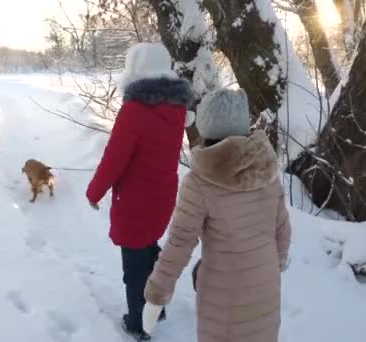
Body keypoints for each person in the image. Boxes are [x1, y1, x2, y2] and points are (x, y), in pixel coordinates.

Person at [142, 88, 292, 342]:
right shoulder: (267, 171)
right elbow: (282, 231)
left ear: (205, 127)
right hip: (266, 287)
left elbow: (180, 243)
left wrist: (156, 294)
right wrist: (268, 270)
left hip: (224, 296)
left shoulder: (200, 181)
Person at [86, 42, 194, 341]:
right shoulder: (177, 109)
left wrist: (95, 192)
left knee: (134, 265)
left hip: (134, 199)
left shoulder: (134, 110)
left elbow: (114, 158)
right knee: (149, 247)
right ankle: (156, 307)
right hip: (162, 196)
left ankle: (139, 324)